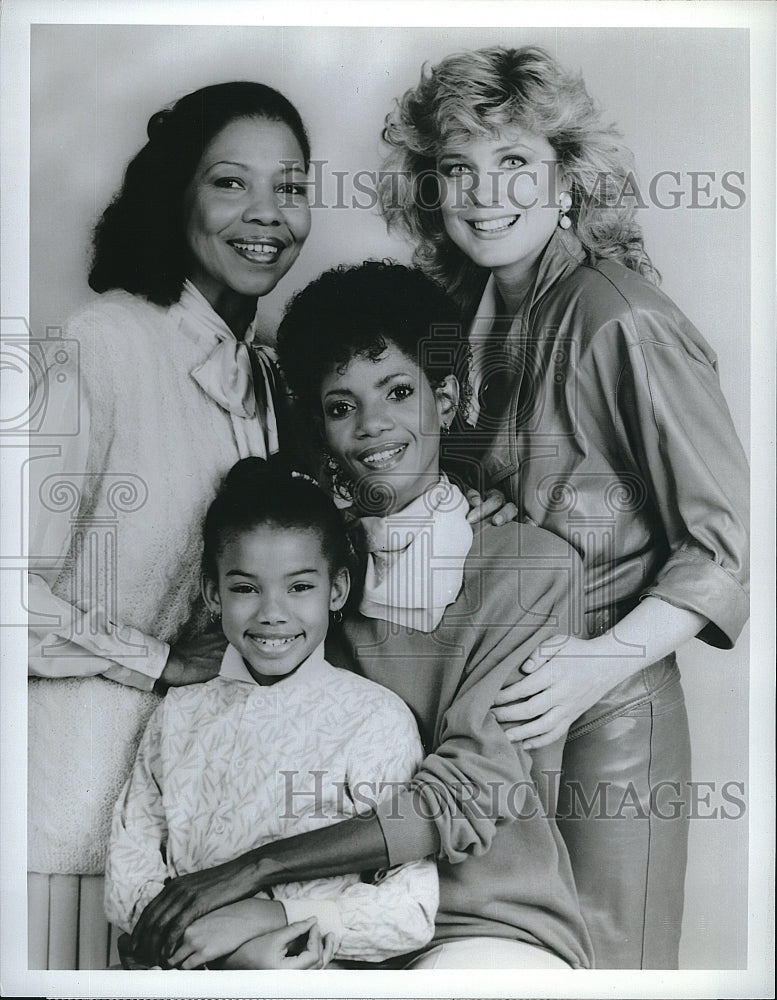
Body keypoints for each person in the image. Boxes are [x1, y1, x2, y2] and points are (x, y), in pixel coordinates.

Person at [377, 45, 750, 968]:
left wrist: (592, 668)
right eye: (457, 167)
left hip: (604, 713)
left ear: (566, 181)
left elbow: (720, 548)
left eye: (514, 163)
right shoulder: (456, 316)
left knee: (607, 967)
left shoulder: (621, 316)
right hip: (493, 712)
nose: (483, 191)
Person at [127, 261, 594, 971]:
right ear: (321, 430)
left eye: (398, 393)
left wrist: (254, 873)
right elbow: (228, 681)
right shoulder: (312, 572)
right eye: (341, 406)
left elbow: (466, 793)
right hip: (319, 908)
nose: (372, 426)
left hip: (480, 922)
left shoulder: (529, 567)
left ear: (446, 397)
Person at [27, 81, 314, 970]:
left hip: (202, 840)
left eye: (292, 187)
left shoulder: (271, 381)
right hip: (69, 823)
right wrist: (157, 658)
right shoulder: (102, 341)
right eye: (231, 183)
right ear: (175, 194)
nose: (267, 214)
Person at [105, 457, 438, 969]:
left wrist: (278, 919)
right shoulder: (179, 713)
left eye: (300, 586)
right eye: (245, 588)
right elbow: (129, 877)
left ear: (338, 590)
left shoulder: (375, 720)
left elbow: (410, 909)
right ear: (214, 594)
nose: (272, 612)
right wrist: (221, 953)